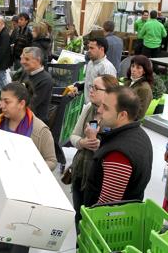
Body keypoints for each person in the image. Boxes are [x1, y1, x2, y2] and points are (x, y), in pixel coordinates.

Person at [84, 87, 153, 206]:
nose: (99, 110)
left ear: (122, 115)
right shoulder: (140, 135)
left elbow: (106, 207)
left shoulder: (118, 155)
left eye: (105, 107)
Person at [70, 75, 119, 225]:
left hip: (98, 177)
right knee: (78, 216)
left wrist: (98, 146)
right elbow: (73, 136)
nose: (91, 91)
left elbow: (115, 149)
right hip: (80, 170)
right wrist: (83, 142)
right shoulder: (88, 108)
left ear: (109, 94)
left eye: (96, 88)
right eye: (91, 87)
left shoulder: (115, 118)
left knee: (91, 220)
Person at [0, 83, 57, 170]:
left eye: (7, 102)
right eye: (1, 100)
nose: (1, 105)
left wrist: (31, 168)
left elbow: (51, 161)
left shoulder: (40, 131)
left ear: (21, 104)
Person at [19, 47, 53, 125]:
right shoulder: (26, 72)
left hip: (35, 122)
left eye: (27, 59)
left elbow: (32, 104)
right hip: (23, 117)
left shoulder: (46, 80)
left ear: (38, 60)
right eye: (23, 58)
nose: (22, 62)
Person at [125, 55, 154, 120]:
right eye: (132, 66)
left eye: (138, 68)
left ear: (144, 71)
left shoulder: (144, 89)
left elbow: (139, 115)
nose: (134, 70)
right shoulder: (128, 82)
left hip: (128, 123)